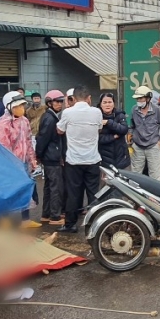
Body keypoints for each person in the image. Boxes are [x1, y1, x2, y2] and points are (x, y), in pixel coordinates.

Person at [0, 91, 41, 229]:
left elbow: (28, 141)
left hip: (23, 163)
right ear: (9, 107)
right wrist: (11, 165)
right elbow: (3, 147)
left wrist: (32, 159)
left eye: (22, 105)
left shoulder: (24, 121)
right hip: (9, 165)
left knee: (25, 190)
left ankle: (25, 220)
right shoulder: (3, 124)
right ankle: (4, 218)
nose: (21, 108)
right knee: (7, 191)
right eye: (17, 106)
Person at [56, 86, 102, 233]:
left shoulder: (67, 112)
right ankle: (96, 223)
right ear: (89, 98)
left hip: (73, 160)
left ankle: (70, 224)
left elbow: (59, 130)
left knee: (73, 193)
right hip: (93, 159)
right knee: (93, 193)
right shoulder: (97, 112)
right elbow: (99, 128)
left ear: (73, 99)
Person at [36, 90, 67, 226]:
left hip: (49, 156)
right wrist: (39, 154)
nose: (60, 104)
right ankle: (55, 216)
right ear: (49, 103)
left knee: (49, 187)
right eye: (57, 101)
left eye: (61, 101)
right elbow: (43, 139)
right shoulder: (50, 118)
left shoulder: (51, 116)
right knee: (56, 188)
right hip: (52, 157)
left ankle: (46, 214)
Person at [129, 85, 160, 180]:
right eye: (137, 99)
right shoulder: (134, 110)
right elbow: (131, 126)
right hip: (138, 147)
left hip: (153, 147)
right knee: (135, 176)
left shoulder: (157, 110)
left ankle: (153, 191)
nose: (139, 101)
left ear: (148, 98)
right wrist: (131, 139)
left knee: (155, 177)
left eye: (141, 98)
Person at [97, 93, 131, 169]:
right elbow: (97, 138)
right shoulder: (97, 116)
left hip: (121, 157)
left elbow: (124, 129)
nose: (107, 105)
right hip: (104, 158)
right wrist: (113, 137)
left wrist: (108, 122)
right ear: (100, 104)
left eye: (110, 102)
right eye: (104, 102)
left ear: (114, 104)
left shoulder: (120, 115)